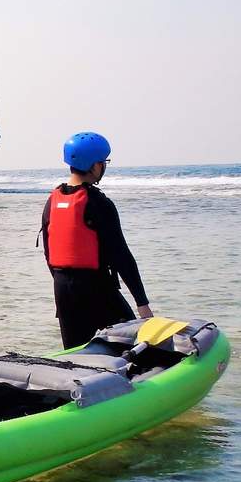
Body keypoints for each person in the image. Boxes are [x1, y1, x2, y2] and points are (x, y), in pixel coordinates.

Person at [41, 132, 154, 349]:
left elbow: (49, 253)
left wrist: (66, 282)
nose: (104, 167)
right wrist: (142, 303)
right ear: (94, 165)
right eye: (103, 162)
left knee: (75, 354)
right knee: (134, 345)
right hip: (97, 288)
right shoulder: (99, 203)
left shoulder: (52, 202)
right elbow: (121, 255)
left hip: (63, 290)